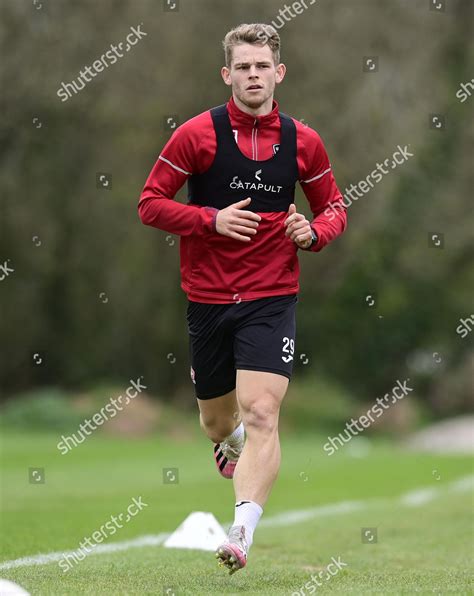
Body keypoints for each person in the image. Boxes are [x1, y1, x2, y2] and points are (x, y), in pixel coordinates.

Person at [138, 22, 347, 575]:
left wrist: (314, 234)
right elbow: (150, 203)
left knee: (262, 411)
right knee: (217, 422)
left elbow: (334, 209)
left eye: (263, 66)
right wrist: (210, 218)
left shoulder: (305, 140)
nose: (253, 75)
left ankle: (241, 534)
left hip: (272, 295)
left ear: (279, 73)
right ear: (227, 73)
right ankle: (225, 442)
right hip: (208, 297)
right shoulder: (195, 136)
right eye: (243, 67)